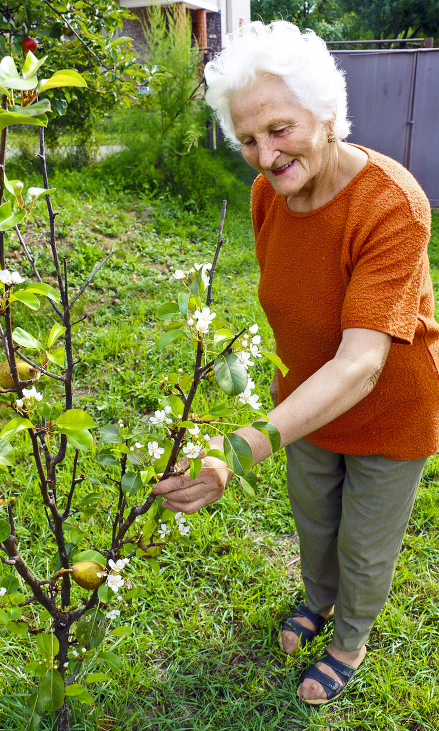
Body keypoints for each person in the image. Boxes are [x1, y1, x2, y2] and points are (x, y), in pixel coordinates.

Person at [152, 20, 439, 705]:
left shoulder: (392, 204)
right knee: (315, 519)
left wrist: (246, 444)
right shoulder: (266, 198)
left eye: (280, 129)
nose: (265, 154)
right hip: (307, 402)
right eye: (249, 139)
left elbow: (363, 362)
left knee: (365, 543)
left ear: (328, 113)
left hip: (391, 411)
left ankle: (350, 635)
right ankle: (317, 599)